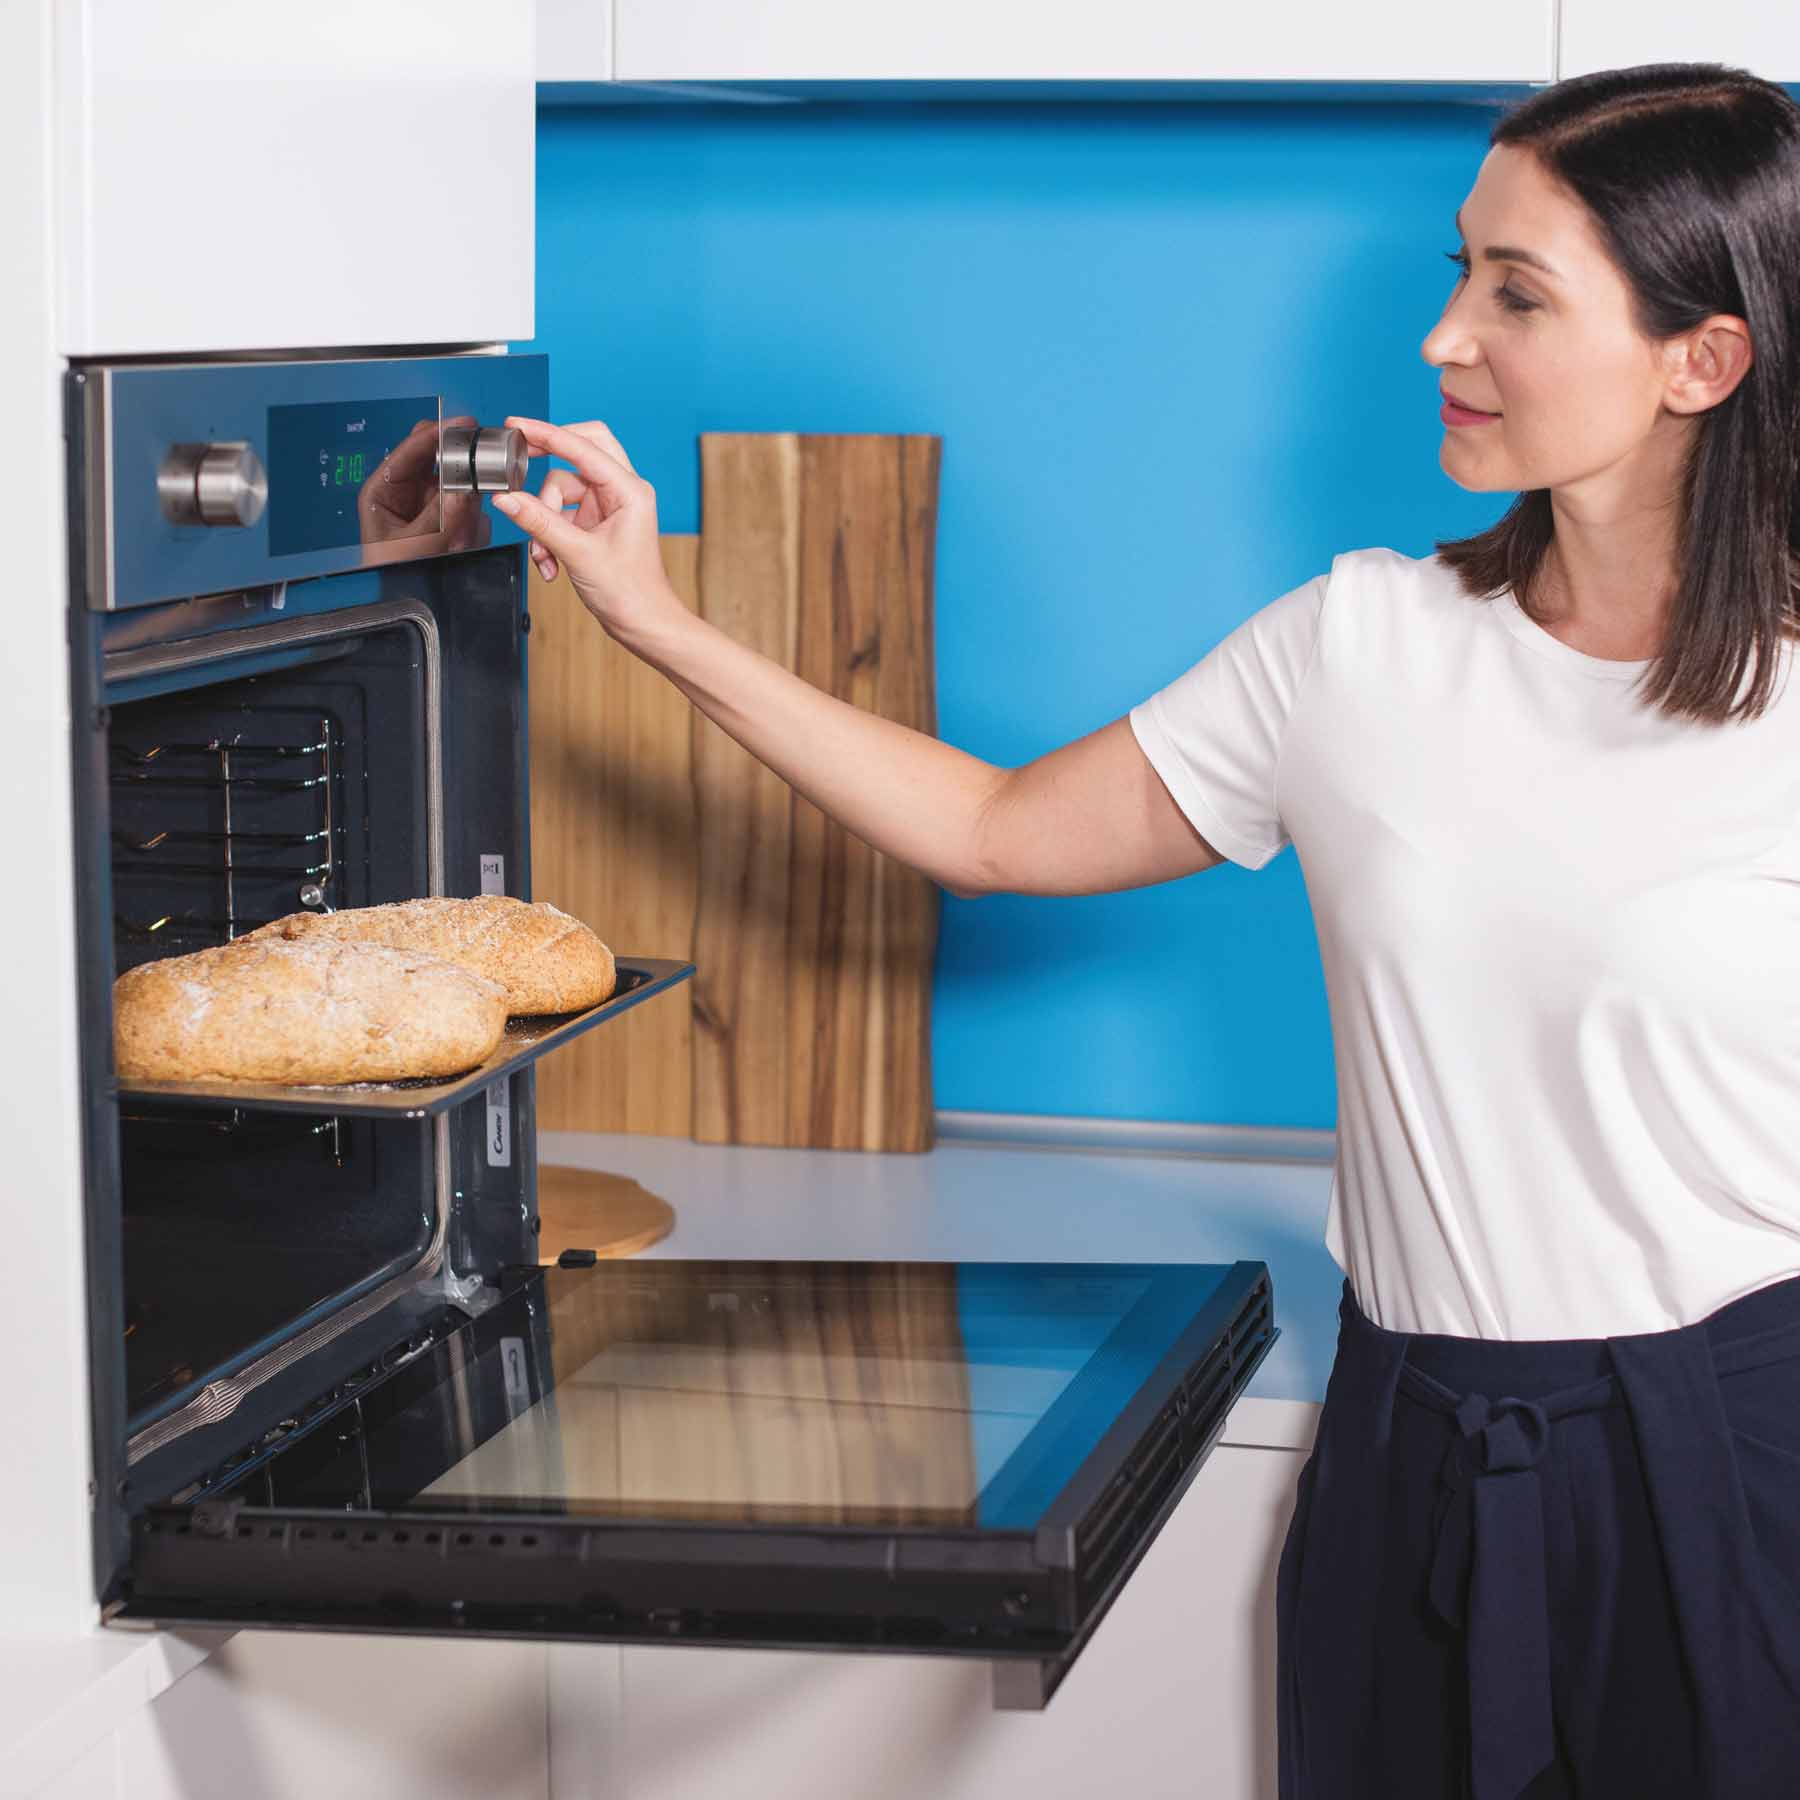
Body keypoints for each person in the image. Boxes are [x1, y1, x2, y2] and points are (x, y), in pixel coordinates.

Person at [492, 60, 1800, 1799]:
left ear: (1702, 360)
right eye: (1456, 269)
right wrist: (652, 621)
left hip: (1736, 1450)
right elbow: (995, 831)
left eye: (1516, 291)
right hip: (1413, 1438)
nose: (1442, 338)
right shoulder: (1360, 647)